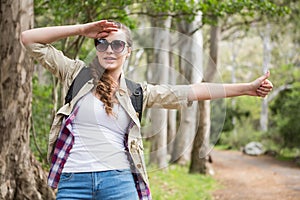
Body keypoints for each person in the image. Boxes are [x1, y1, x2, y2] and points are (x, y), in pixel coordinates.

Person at [21, 20, 273, 200]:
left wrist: (247, 88)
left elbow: (195, 90)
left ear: (128, 51)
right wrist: (81, 30)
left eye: (117, 45)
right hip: (74, 180)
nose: (109, 50)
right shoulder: (76, 74)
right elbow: (29, 39)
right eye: (102, 43)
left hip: (118, 182)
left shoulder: (138, 93)